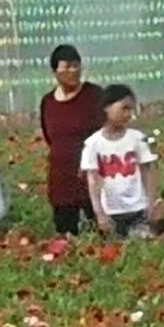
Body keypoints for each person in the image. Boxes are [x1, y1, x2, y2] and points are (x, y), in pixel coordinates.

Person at [81, 84, 160, 239]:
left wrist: (152, 202)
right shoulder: (93, 144)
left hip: (139, 209)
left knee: (142, 252)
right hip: (112, 212)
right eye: (124, 108)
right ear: (106, 108)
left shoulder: (137, 138)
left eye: (131, 109)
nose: (128, 114)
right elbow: (93, 181)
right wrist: (99, 213)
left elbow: (147, 172)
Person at [40, 44, 102, 236]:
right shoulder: (48, 102)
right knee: (65, 235)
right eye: (66, 66)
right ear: (55, 70)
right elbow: (50, 137)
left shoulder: (94, 95)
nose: (73, 71)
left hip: (92, 176)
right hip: (61, 178)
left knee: (98, 233)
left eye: (76, 65)